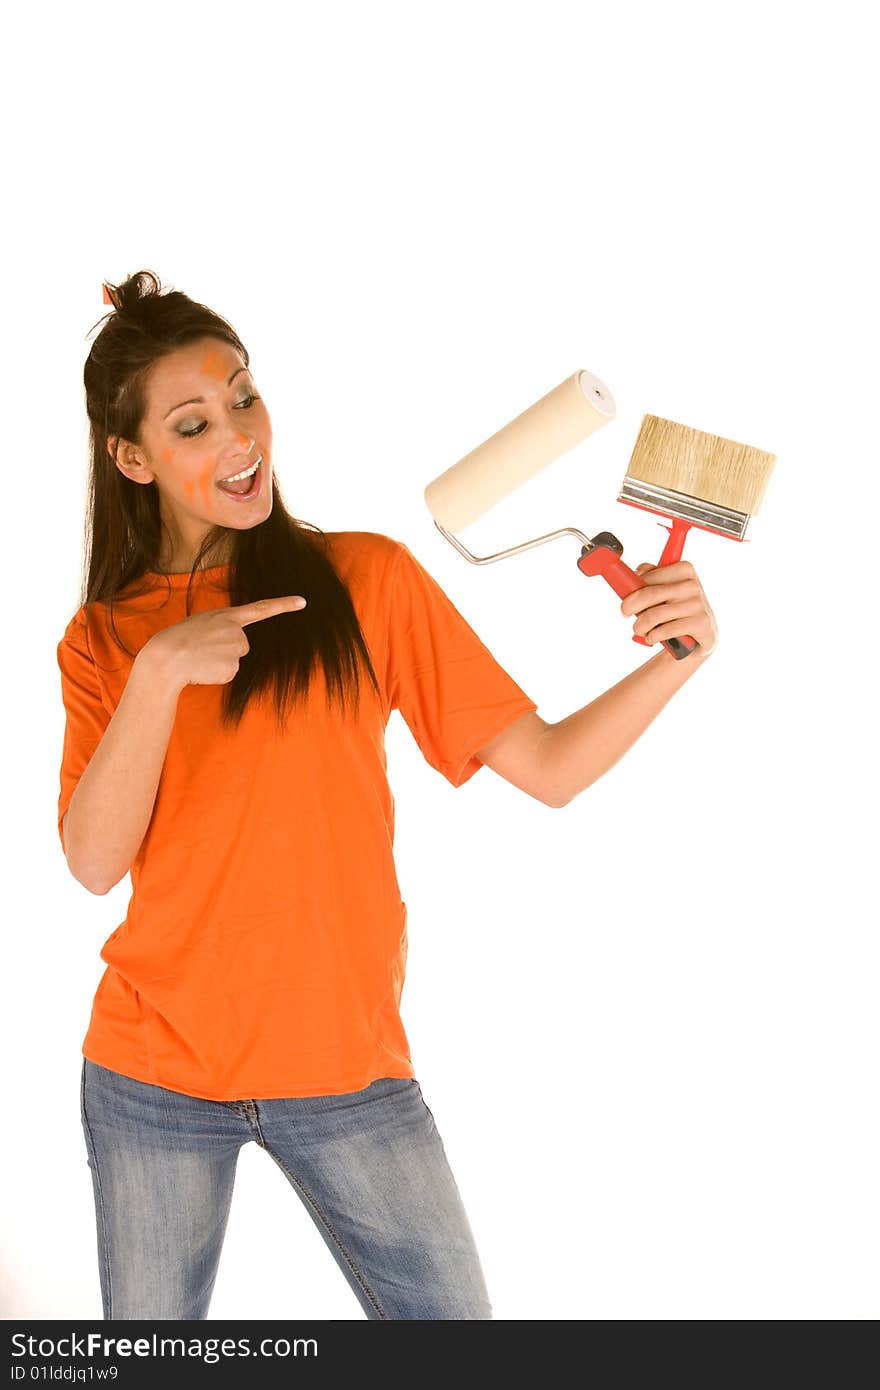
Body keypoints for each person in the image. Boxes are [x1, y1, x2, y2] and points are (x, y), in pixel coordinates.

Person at [58, 270, 718, 1321]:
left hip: (347, 1069)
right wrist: (158, 673)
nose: (239, 436)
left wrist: (676, 658)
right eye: (192, 423)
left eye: (243, 395)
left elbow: (546, 767)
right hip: (153, 1076)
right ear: (131, 458)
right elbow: (93, 861)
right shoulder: (104, 642)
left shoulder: (364, 581)